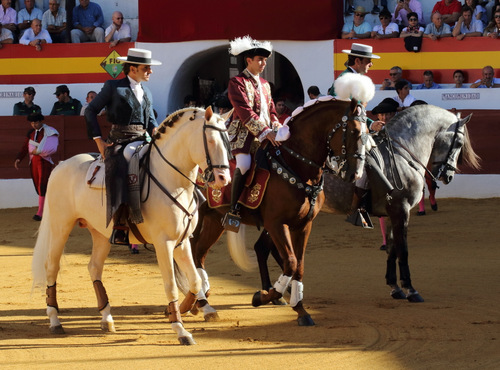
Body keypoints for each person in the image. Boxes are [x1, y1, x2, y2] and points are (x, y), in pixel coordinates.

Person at [84, 48, 161, 245]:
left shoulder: (148, 91)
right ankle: (119, 223)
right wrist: (98, 140)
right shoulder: (113, 87)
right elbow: (90, 111)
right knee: (120, 167)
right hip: (119, 140)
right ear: (133, 69)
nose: (150, 71)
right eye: (146, 68)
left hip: (143, 138)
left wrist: (157, 132)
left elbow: (150, 121)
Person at [223, 36, 281, 230]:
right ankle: (233, 211)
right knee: (245, 164)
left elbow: (271, 110)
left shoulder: (265, 84)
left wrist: (275, 124)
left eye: (265, 60)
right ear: (248, 60)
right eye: (260, 60)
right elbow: (244, 111)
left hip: (266, 133)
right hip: (242, 135)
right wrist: (265, 131)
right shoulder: (236, 82)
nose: (263, 63)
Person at [14, 112, 59, 221]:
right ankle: (46, 209)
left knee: (43, 185)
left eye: (36, 122)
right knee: (38, 185)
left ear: (41, 121)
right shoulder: (31, 133)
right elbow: (26, 146)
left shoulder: (48, 131)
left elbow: (52, 147)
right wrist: (19, 158)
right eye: (32, 122)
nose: (34, 124)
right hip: (33, 161)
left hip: (44, 161)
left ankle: (40, 212)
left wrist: (39, 151)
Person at [370, 97, 399, 250]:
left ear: (393, 114)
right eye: (382, 115)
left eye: (388, 114)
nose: (385, 117)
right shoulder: (373, 128)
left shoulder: (400, 129)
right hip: (381, 170)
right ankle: (385, 240)